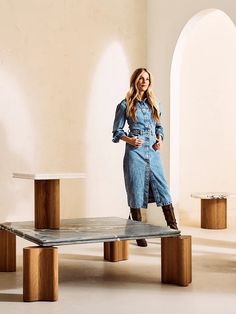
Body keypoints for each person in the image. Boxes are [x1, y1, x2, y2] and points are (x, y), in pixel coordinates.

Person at [112, 68, 178, 247]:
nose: (144, 81)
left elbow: (159, 127)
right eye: (141, 78)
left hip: (153, 153)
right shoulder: (124, 104)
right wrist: (130, 139)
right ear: (135, 81)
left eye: (147, 79)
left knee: (163, 189)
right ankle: (138, 232)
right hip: (135, 153)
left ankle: (173, 229)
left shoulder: (155, 103)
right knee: (135, 190)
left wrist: (160, 139)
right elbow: (116, 133)